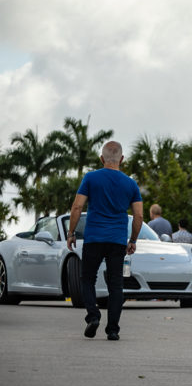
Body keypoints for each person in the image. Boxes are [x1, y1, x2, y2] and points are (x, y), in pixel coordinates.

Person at [66, 140, 143, 341]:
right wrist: (133, 240)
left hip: (93, 238)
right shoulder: (131, 183)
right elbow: (139, 216)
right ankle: (113, 330)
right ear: (122, 159)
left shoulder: (91, 178)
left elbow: (76, 207)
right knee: (116, 285)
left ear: (102, 159)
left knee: (88, 279)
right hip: (117, 241)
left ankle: (93, 316)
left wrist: (71, 232)